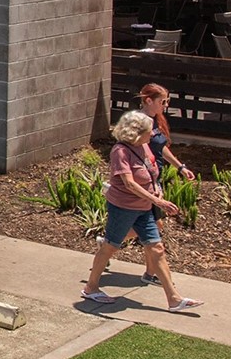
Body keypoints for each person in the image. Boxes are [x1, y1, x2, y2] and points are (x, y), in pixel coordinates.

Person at [82, 109, 202, 312]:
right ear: (136, 133)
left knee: (157, 248)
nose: (153, 134)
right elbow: (129, 184)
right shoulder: (120, 151)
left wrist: (158, 190)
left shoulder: (144, 146)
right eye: (150, 131)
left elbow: (152, 172)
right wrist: (158, 202)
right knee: (110, 247)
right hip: (124, 208)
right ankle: (91, 287)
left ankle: (174, 299)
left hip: (144, 208)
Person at [136, 83, 190, 178]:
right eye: (163, 102)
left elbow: (159, 146)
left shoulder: (155, 119)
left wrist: (180, 167)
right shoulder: (138, 123)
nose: (166, 105)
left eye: (168, 101)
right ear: (149, 101)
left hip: (155, 175)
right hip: (144, 177)